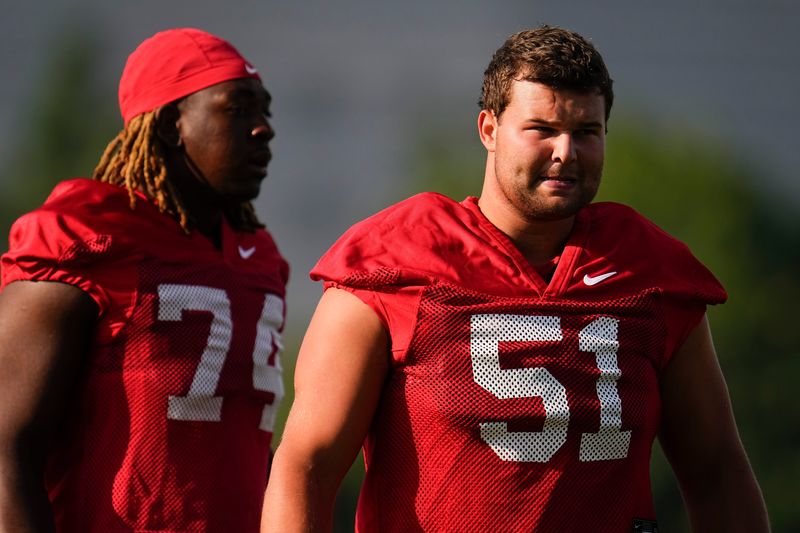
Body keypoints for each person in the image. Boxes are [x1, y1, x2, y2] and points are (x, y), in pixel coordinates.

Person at [262, 26, 769, 532]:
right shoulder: (393, 264)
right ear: (489, 129)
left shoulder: (650, 273)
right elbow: (306, 465)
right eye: (542, 128)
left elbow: (717, 471)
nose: (566, 151)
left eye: (587, 132)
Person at [0, 28, 288, 532]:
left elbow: (239, 444)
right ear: (170, 126)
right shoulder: (88, 235)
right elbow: (5, 448)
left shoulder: (257, 257)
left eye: (264, 110)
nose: (263, 128)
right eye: (237, 108)